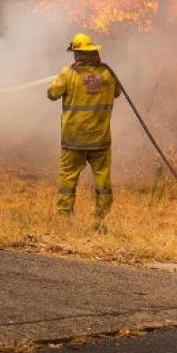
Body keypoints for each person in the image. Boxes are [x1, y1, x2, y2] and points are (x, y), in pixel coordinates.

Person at [47, 33, 121, 224]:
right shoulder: (108, 74)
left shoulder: (68, 74)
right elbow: (117, 93)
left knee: (68, 177)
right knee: (102, 178)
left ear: (78, 54)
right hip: (100, 139)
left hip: (74, 139)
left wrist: (62, 77)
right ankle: (102, 216)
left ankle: (64, 215)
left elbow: (52, 94)